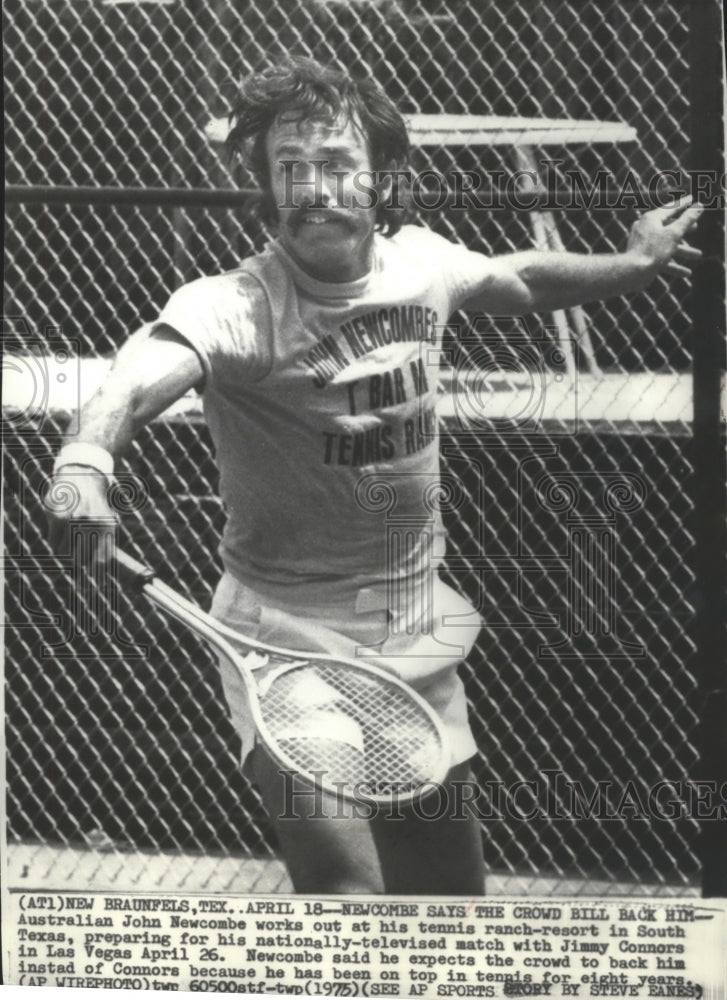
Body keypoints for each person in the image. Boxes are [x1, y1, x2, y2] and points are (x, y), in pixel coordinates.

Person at [47, 56, 702, 895]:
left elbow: (522, 277)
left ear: (382, 178)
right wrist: (84, 461)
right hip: (282, 642)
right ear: (265, 187)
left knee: (446, 907)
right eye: (289, 168)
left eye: (334, 165)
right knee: (348, 906)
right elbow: (134, 379)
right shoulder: (235, 306)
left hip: (412, 627)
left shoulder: (422, 264)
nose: (311, 187)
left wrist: (635, 264)